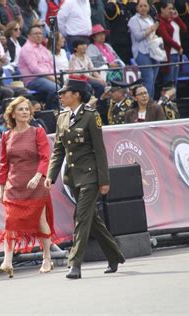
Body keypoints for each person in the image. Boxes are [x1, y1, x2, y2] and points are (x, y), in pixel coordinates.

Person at [45, 77, 125, 279]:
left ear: (77, 95)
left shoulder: (91, 116)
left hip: (90, 176)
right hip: (73, 178)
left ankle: (75, 265)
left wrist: (104, 180)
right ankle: (115, 256)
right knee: (92, 220)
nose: (61, 95)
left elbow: (100, 150)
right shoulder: (62, 117)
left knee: (80, 218)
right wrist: (51, 175)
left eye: (65, 92)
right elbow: (59, 151)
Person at [0, 96, 55, 278]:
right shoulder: (6, 135)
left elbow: (46, 157)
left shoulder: (37, 132)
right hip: (14, 186)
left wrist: (38, 176)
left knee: (41, 221)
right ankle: (7, 261)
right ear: (12, 114)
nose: (24, 112)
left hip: (36, 185)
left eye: (27, 109)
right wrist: (1, 189)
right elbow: (4, 164)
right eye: (20, 109)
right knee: (10, 222)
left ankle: (47, 258)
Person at [18, 25, 59, 109]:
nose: (39, 35)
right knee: (56, 88)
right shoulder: (27, 49)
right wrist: (52, 78)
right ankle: (49, 111)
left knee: (71, 85)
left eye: (40, 33)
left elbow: (51, 65)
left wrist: (56, 76)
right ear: (29, 36)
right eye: (36, 33)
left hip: (48, 77)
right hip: (33, 79)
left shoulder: (42, 48)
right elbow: (35, 69)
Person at [128, 0, 160, 100]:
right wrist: (151, 29)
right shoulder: (133, 20)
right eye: (140, 6)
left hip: (153, 50)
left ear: (148, 7)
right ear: (137, 8)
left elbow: (153, 34)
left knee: (153, 79)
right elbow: (138, 36)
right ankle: (147, 103)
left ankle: (151, 101)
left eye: (145, 6)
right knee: (148, 78)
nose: (143, 8)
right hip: (142, 51)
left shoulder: (150, 18)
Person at [156, 1, 186, 89]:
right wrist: (178, 47)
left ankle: (174, 101)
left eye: (172, 9)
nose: (171, 11)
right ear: (162, 9)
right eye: (169, 9)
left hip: (177, 54)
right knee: (169, 82)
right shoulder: (160, 21)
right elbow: (166, 38)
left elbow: (184, 29)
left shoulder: (172, 20)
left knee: (175, 81)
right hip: (169, 55)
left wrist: (177, 18)